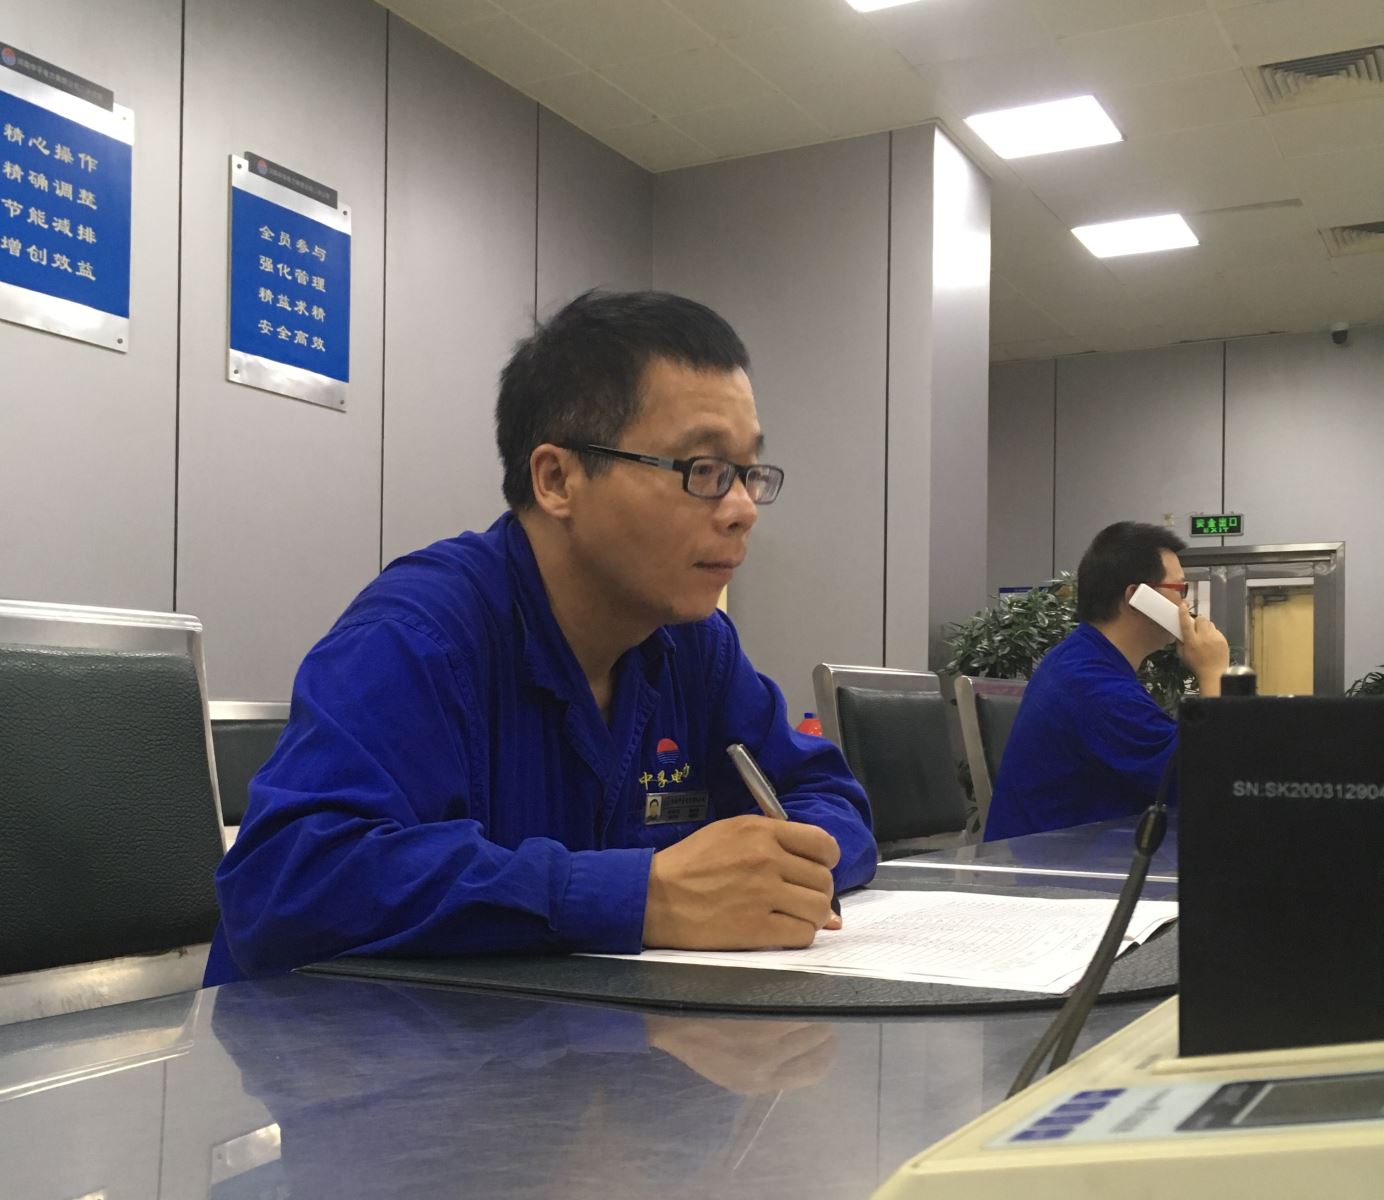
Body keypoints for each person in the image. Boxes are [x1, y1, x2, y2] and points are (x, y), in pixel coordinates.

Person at [205, 290, 877, 985]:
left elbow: (828, 795)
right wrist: (641, 896)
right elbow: (285, 882)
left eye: (748, 474)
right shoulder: (418, 634)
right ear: (557, 479)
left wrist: (788, 866)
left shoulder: (693, 645)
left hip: (578, 1037)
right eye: (703, 472)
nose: (741, 510)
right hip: (345, 1045)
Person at [984, 521, 1230, 840]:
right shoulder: (1090, 683)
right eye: (1180, 590)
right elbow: (1200, 781)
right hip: (1053, 865)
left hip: (1072, 853)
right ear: (1137, 597)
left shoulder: (1085, 661)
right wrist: (1213, 673)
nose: (1186, 606)